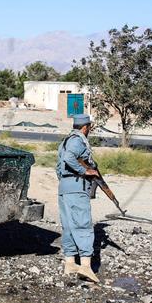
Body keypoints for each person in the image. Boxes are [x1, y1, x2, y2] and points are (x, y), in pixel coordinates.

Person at [55, 114, 100, 283]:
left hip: (65, 188)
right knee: (82, 224)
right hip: (76, 188)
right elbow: (69, 159)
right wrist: (84, 172)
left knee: (68, 225)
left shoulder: (65, 141)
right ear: (85, 127)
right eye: (89, 128)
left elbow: (58, 166)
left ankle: (70, 263)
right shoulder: (78, 140)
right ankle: (86, 266)